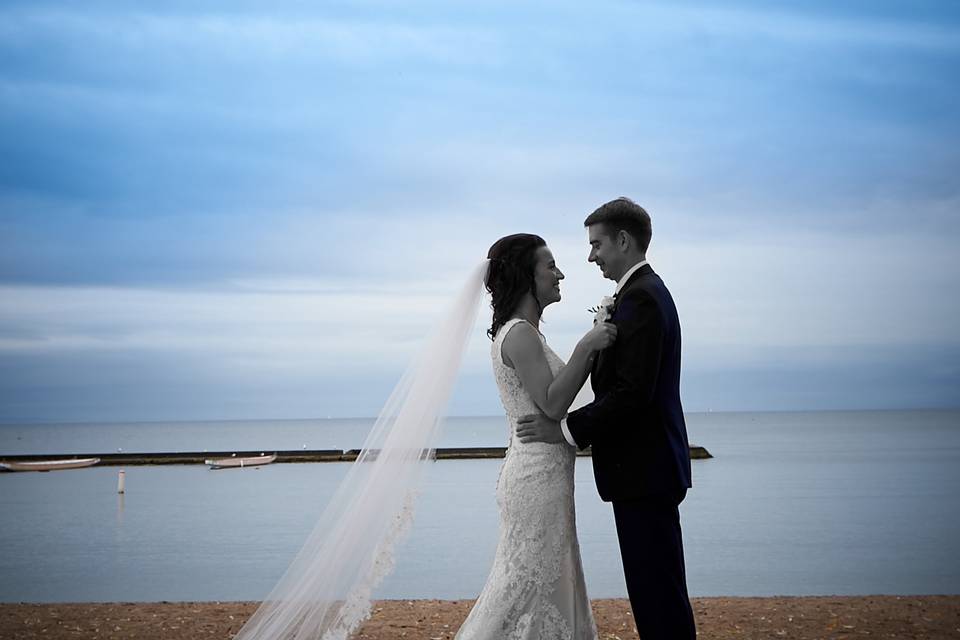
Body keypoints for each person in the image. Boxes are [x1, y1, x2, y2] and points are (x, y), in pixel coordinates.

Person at [516, 198, 697, 639]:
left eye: (596, 244)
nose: (590, 255)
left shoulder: (645, 300)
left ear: (623, 240)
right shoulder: (637, 296)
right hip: (643, 471)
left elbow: (632, 395)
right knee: (654, 593)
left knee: (659, 596)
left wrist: (561, 431)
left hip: (646, 471)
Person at [454, 233, 616, 640]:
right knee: (522, 586)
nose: (559, 274)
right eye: (550, 266)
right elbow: (551, 403)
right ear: (527, 276)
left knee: (544, 582)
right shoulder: (520, 334)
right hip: (535, 481)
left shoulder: (525, 333)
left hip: (545, 475)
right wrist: (586, 346)